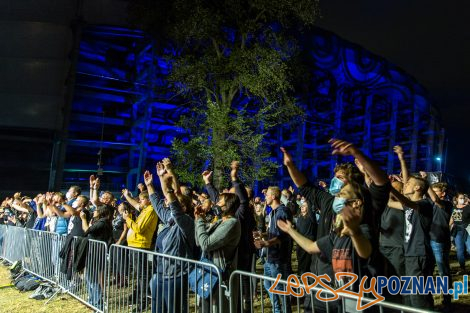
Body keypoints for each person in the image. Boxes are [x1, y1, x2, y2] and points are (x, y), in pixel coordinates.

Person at [147, 159, 195, 313]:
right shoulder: (169, 220)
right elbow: (156, 204)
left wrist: (167, 185)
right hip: (161, 273)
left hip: (176, 275)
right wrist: (150, 185)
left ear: (183, 207)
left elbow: (174, 206)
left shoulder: (186, 221)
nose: (166, 203)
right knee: (158, 309)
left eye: (171, 202)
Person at [195, 182, 241, 313]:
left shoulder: (232, 223)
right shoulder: (221, 221)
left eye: (220, 202)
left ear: (228, 206)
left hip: (219, 275)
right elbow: (199, 241)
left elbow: (206, 244)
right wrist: (199, 219)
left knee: (216, 308)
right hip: (208, 273)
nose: (217, 204)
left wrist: (200, 222)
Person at [388, 176, 434, 309]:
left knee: (417, 294)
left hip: (419, 254)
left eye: (408, 183)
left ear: (417, 188)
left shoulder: (424, 204)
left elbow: (407, 202)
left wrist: (389, 186)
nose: (404, 185)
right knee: (413, 292)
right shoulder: (408, 206)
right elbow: (389, 203)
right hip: (411, 254)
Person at [254, 186, 293, 313]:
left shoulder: (282, 211)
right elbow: (273, 233)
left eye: (267, 195)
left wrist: (266, 243)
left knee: (281, 288)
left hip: (278, 258)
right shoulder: (272, 212)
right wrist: (262, 235)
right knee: (268, 285)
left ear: (274, 196)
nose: (265, 197)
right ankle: (277, 310)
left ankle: (285, 310)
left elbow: (282, 236)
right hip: (270, 258)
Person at [123, 189, 158, 311]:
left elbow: (139, 229)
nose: (139, 201)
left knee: (142, 275)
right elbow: (135, 204)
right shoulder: (145, 209)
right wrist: (127, 196)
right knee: (139, 275)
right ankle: (138, 298)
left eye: (142, 199)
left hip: (140, 245)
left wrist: (128, 219)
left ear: (148, 200)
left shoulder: (150, 210)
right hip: (134, 245)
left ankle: (143, 302)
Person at [80, 204, 114, 310]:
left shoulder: (102, 222)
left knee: (93, 280)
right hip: (94, 252)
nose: (94, 211)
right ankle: (92, 301)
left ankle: (98, 304)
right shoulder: (101, 222)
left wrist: (83, 219)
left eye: (96, 209)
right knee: (89, 278)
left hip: (96, 253)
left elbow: (86, 230)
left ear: (101, 211)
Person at [449, 192, 470, 274]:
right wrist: (448, 227)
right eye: (460, 198)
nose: (462, 199)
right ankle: (462, 268)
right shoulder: (455, 208)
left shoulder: (468, 207)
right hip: (458, 231)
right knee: (460, 251)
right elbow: (453, 220)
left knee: (469, 249)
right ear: (456, 199)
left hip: (468, 230)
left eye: (463, 198)